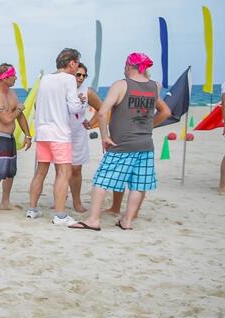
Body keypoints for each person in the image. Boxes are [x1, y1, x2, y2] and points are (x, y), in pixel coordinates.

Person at [70, 52, 170, 231]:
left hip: (122, 144)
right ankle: (127, 221)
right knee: (138, 184)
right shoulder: (154, 86)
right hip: (145, 144)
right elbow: (166, 112)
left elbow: (102, 112)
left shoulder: (121, 85)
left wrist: (104, 136)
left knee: (102, 180)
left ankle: (93, 220)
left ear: (129, 66)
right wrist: (149, 127)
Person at [26, 48, 86, 225]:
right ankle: (60, 215)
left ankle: (32, 209)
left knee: (40, 172)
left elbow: (39, 104)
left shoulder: (45, 79)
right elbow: (74, 108)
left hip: (43, 132)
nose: (77, 69)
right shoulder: (68, 79)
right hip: (59, 133)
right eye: (77, 64)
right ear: (71, 63)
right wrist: (81, 101)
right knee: (63, 172)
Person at [0, 63, 31, 215]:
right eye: (13, 75)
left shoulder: (12, 94)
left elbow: (20, 116)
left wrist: (27, 134)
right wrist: (19, 108)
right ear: (4, 78)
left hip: (9, 137)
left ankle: (5, 202)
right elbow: (7, 119)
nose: (16, 78)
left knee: (10, 172)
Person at [66, 63, 102, 212]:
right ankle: (60, 199)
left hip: (78, 135)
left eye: (84, 75)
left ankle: (77, 202)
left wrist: (91, 123)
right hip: (61, 133)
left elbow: (102, 109)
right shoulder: (61, 88)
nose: (81, 78)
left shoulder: (88, 92)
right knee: (62, 169)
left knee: (76, 169)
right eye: (78, 74)